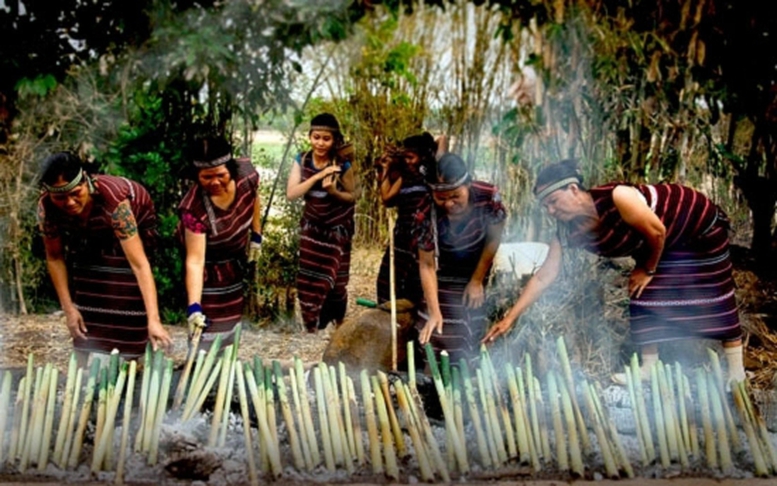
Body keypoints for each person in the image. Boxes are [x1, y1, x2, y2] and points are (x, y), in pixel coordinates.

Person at [481, 159, 747, 384]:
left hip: (698, 227)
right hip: (659, 243)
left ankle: (737, 373)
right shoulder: (567, 231)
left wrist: (647, 268)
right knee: (643, 295)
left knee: (715, 293)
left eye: (553, 201)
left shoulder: (618, 197)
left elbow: (657, 231)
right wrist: (510, 318)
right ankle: (650, 367)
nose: (551, 211)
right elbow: (543, 276)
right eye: (546, 207)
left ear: (573, 189)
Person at [37, 152, 172, 365]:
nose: (70, 202)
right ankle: (82, 367)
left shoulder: (115, 202)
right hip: (87, 235)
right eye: (60, 198)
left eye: (75, 193)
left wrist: (153, 320)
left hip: (133, 232)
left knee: (124, 289)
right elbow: (54, 258)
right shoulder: (47, 208)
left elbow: (139, 264)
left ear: (86, 182)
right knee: (87, 285)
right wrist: (69, 310)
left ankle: (133, 363)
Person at [417, 153, 506, 365]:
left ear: (468, 184)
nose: (448, 203)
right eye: (442, 198)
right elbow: (427, 265)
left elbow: (493, 240)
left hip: (475, 267)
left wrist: (476, 280)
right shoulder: (424, 209)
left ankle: (467, 372)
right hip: (441, 271)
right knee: (435, 331)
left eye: (455, 195)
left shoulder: (488, 198)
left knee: (466, 327)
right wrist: (434, 312)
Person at [178, 136, 262, 347]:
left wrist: (256, 236)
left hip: (234, 262)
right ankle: (199, 363)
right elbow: (195, 262)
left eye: (220, 175)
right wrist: (194, 308)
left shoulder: (247, 175)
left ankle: (227, 364)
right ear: (196, 176)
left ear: (231, 170)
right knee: (205, 329)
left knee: (232, 322)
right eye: (206, 177)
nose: (215, 182)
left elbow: (254, 198)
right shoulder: (193, 209)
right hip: (208, 270)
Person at [286, 113, 356, 332]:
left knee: (336, 281)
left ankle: (339, 324)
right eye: (316, 137)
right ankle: (312, 324)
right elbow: (291, 193)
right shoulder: (302, 160)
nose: (320, 143)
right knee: (308, 280)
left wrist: (333, 191)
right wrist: (317, 177)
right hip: (312, 229)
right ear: (310, 137)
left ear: (334, 140)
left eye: (326, 139)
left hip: (336, 230)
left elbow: (353, 196)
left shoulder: (342, 164)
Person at [375, 132, 437, 306]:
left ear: (423, 157)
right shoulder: (404, 178)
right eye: (405, 158)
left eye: (411, 157)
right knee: (388, 282)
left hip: (423, 241)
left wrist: (430, 147)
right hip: (401, 238)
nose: (407, 161)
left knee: (415, 285)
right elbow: (386, 198)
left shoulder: (432, 177)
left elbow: (442, 141)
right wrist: (386, 169)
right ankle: (388, 319)